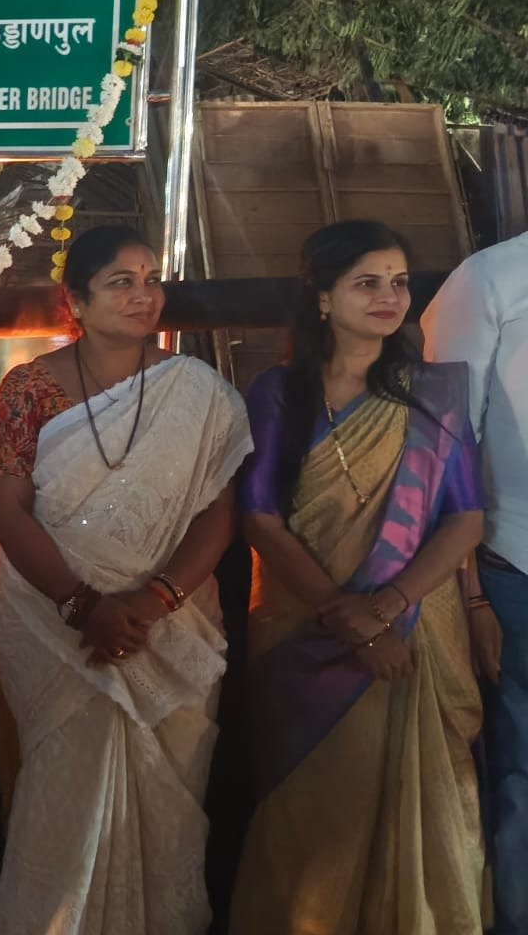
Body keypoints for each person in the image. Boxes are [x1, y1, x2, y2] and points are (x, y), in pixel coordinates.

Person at [0, 225, 250, 935]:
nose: (143, 295)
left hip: (169, 623)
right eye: (121, 282)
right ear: (77, 300)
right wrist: (81, 605)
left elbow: (218, 514)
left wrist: (151, 601)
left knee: (170, 791)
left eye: (151, 278)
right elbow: (6, 506)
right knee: (61, 791)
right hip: (52, 624)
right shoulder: (28, 389)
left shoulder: (197, 392)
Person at [230, 220, 487, 933]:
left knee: (424, 805)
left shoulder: (435, 395)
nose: (389, 297)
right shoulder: (278, 394)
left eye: (399, 281)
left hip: (414, 635)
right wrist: (345, 614)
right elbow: (260, 521)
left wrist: (386, 608)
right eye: (367, 282)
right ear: (321, 297)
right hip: (302, 635)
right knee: (308, 823)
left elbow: (466, 520)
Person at [422, 228, 527, 933]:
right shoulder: (489, 280)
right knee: (521, 776)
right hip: (514, 566)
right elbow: (445, 450)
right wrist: (474, 593)